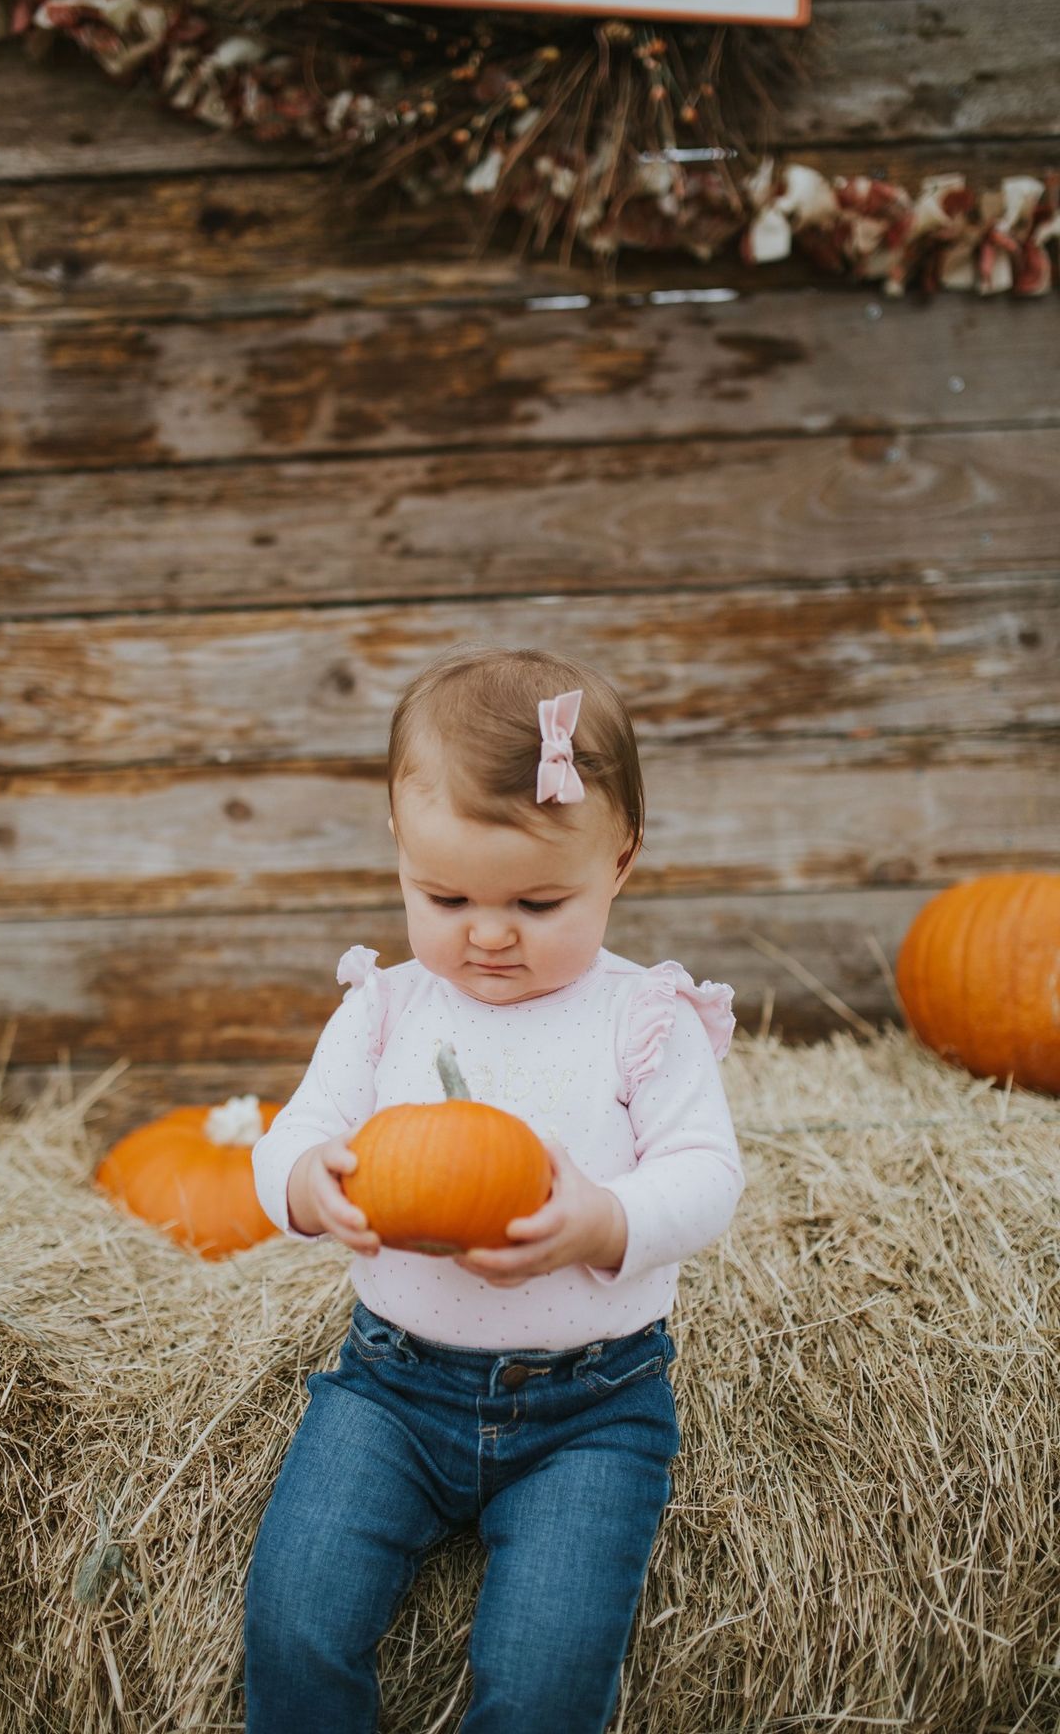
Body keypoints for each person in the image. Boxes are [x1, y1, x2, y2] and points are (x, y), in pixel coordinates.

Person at [245, 644, 745, 1733]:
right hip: (391, 1390)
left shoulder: (640, 1019)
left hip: (593, 1407)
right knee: (295, 1616)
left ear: (621, 862)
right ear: (398, 854)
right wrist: (303, 1184)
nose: (486, 932)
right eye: (445, 894)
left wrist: (604, 1219)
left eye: (536, 899)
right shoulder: (385, 1008)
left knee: (546, 1674)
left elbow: (707, 1177)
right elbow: (295, 1135)